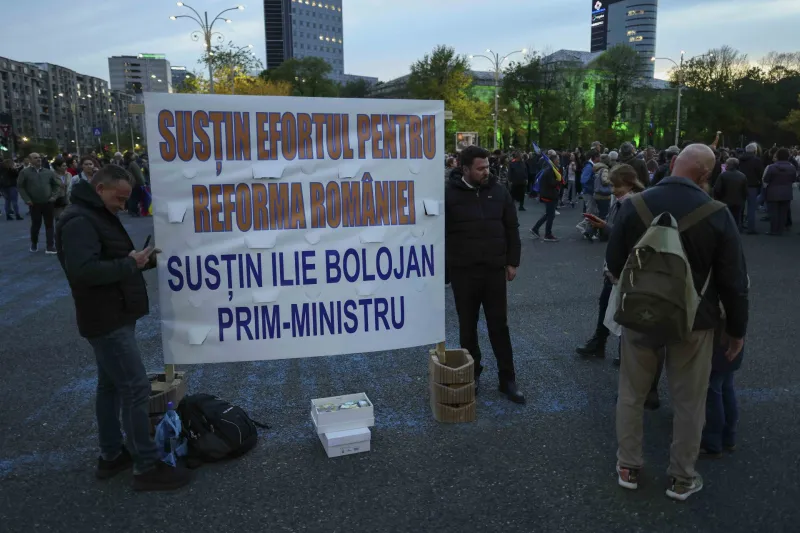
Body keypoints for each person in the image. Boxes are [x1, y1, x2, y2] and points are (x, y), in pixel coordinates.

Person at [606, 144, 748, 501]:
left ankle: (629, 466)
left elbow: (614, 260)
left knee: (632, 393)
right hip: (695, 320)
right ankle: (682, 477)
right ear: (706, 176)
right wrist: (737, 330)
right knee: (689, 401)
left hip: (640, 314)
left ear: (672, 163)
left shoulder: (635, 204)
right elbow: (733, 280)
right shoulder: (717, 213)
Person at [55, 164, 192, 491]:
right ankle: (146, 467)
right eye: (119, 198)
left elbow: (112, 259)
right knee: (135, 389)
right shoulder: (80, 220)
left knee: (111, 387)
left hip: (109, 315)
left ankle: (112, 455)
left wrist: (142, 259)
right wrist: (131, 263)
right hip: (107, 319)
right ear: (99, 187)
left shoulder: (94, 214)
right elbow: (83, 270)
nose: (124, 205)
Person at [445, 145, 524, 404]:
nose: (486, 171)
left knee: (499, 326)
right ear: (464, 169)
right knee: (467, 329)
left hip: (493, 272)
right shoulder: (448, 195)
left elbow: (511, 228)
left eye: (488, 166)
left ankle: (507, 379)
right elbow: (439, 236)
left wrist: (512, 262)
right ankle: (473, 374)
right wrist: (445, 271)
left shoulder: (499, 192)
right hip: (463, 274)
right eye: (480, 168)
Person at [576, 164, 645, 357]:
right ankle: (601, 343)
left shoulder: (635, 204)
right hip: (615, 262)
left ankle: (621, 349)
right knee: (606, 302)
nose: (614, 191)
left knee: (624, 307)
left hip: (626, 264)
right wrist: (604, 225)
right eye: (612, 186)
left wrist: (606, 227)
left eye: (617, 187)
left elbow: (628, 236)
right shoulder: (622, 202)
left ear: (630, 184)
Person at [700, 302, 745, 459]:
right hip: (734, 332)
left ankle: (712, 441)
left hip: (720, 334)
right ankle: (729, 436)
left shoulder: (725, 279)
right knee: (726, 386)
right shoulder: (741, 279)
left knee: (712, 390)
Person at [17, 152, 61, 253]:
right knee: (36, 225)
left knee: (49, 225)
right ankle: (34, 243)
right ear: (30, 160)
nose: (39, 159)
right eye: (35, 158)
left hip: (48, 202)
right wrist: (27, 199)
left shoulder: (48, 172)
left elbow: (56, 185)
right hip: (34, 203)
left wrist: (54, 196)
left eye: (39, 158)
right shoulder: (25, 172)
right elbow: (20, 187)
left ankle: (50, 246)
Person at [762, 148, 796, 236]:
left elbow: (766, 179)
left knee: (773, 212)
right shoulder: (792, 167)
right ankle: (780, 230)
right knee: (783, 213)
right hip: (786, 192)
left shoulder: (771, 167)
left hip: (772, 192)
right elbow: (793, 179)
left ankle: (773, 230)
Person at [530, 153, 561, 242]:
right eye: (557, 159)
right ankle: (548, 234)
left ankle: (535, 228)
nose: (559, 161)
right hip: (549, 195)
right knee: (550, 215)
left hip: (548, 194)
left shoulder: (549, 169)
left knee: (548, 214)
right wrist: (559, 180)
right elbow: (551, 183)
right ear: (553, 161)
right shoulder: (550, 170)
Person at [713, 158, 747, 229]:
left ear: (728, 165)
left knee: (725, 218)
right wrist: (743, 199)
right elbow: (745, 190)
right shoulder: (742, 176)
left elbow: (717, 189)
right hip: (738, 201)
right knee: (736, 218)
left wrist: (718, 198)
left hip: (725, 201)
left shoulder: (723, 175)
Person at [738, 143, 763, 234]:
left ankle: (739, 226)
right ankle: (751, 228)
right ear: (755, 151)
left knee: (740, 207)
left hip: (740, 185)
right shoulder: (756, 160)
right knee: (751, 207)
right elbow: (760, 173)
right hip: (752, 185)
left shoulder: (739, 159)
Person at [124, 151, 146, 217]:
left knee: (132, 197)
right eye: (133, 154)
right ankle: (135, 211)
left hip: (131, 183)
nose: (134, 155)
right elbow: (138, 175)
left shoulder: (127, 163)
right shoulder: (133, 164)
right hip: (136, 183)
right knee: (136, 198)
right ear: (130, 156)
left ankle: (132, 210)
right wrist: (143, 183)